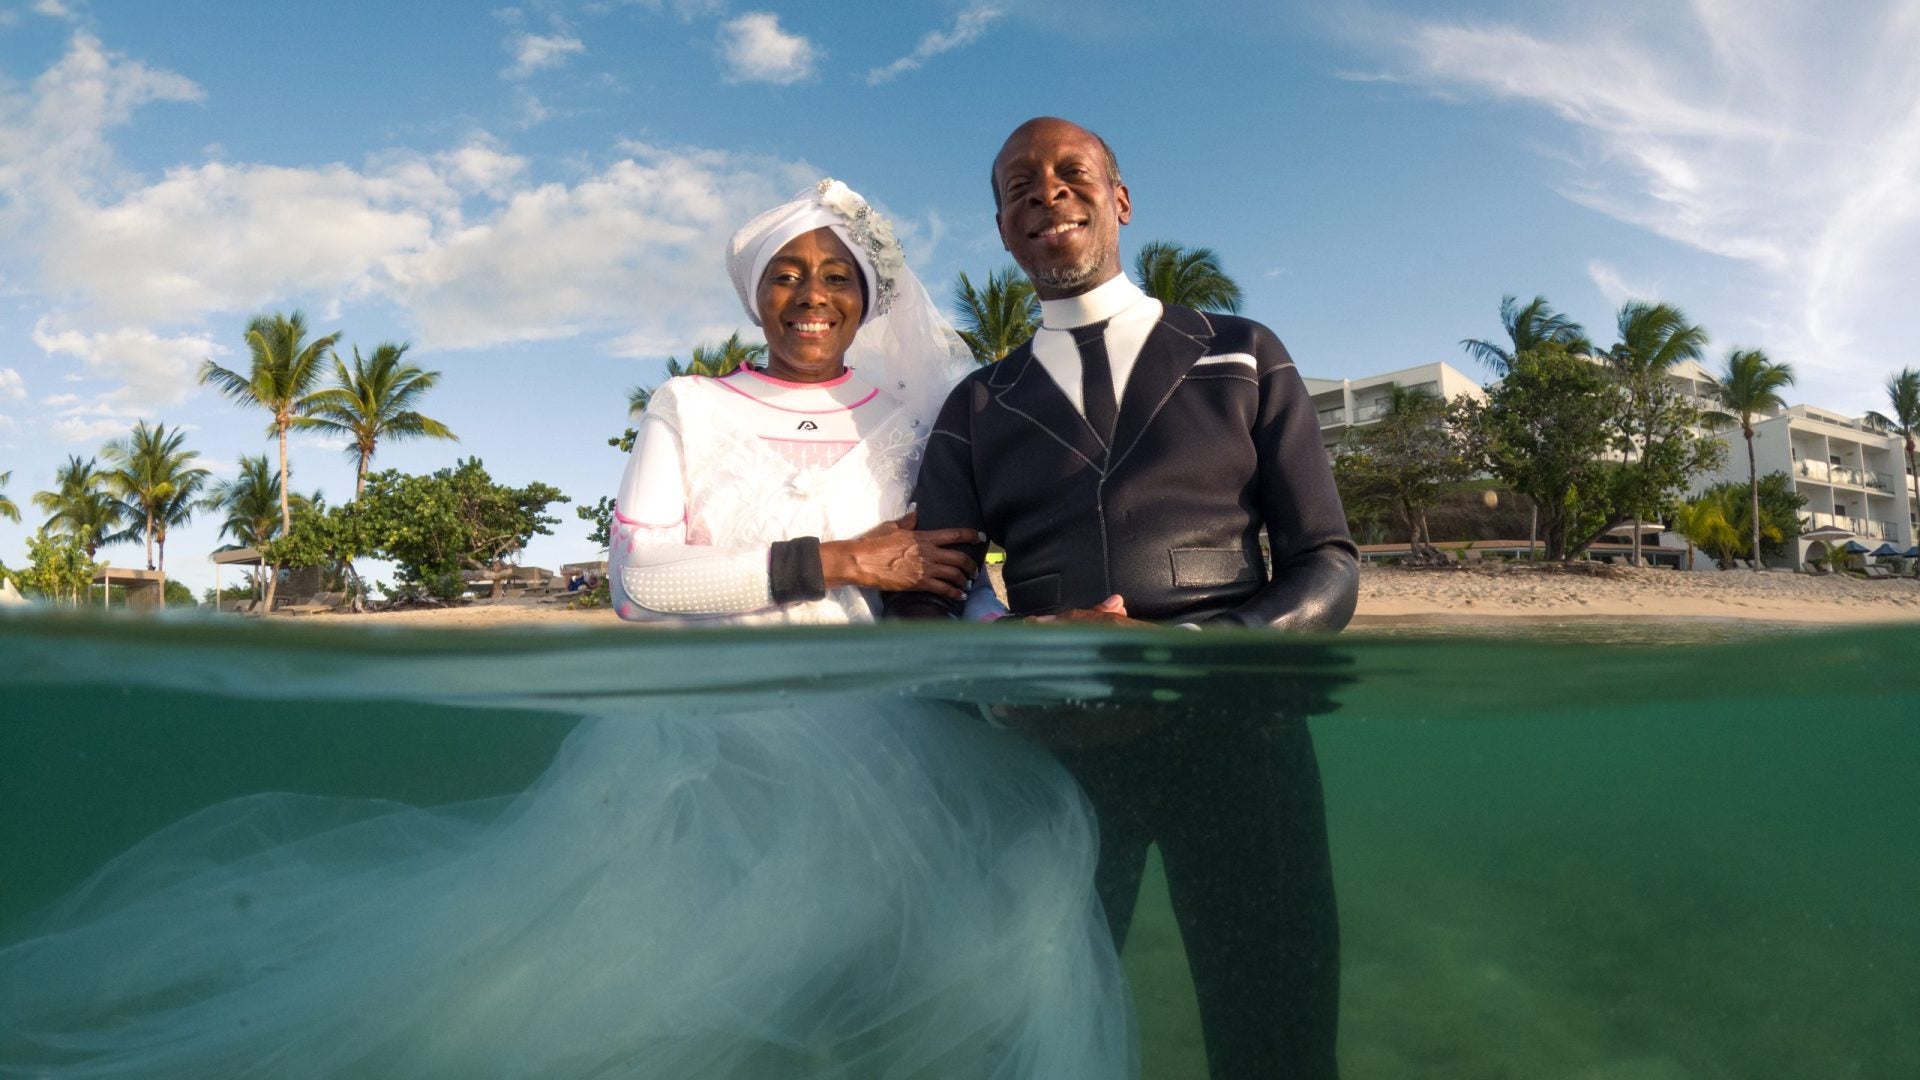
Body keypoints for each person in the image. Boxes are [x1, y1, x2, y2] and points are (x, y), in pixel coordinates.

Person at [0, 181, 1135, 1079]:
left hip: (906, 755)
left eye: (835, 274)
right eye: (786, 273)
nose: (812, 292)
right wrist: (836, 559)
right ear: (755, 295)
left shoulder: (923, 414)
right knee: (699, 1025)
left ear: (867, 297)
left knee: (900, 1007)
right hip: (711, 763)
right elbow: (640, 584)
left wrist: (1044, 629)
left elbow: (947, 580)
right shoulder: (688, 407)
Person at [886, 118, 1360, 1079]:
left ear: (1121, 200)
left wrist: (1203, 652)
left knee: (1278, 1032)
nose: (1047, 191)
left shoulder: (1242, 354)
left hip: (1243, 744)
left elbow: (1329, 566)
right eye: (1020, 185)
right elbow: (921, 607)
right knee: (1042, 1048)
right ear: (1005, 230)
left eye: (1072, 173)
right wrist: (1012, 660)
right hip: (1056, 765)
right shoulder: (975, 407)